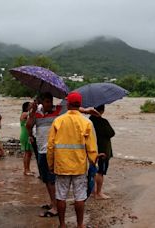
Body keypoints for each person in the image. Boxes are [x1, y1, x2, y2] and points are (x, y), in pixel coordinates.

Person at [26, 92, 100, 218]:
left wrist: (87, 111)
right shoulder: (36, 113)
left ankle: (56, 209)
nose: (49, 104)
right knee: (47, 180)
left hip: (55, 153)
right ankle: (53, 203)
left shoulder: (59, 113)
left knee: (55, 184)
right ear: (41, 102)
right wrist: (32, 112)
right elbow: (29, 126)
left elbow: (73, 108)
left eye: (50, 101)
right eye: (47, 101)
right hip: (43, 150)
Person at [47, 92, 99, 228]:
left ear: (68, 104)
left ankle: (63, 224)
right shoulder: (87, 122)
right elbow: (92, 147)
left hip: (61, 165)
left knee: (61, 196)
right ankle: (80, 224)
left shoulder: (58, 121)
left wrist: (50, 164)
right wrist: (94, 161)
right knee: (80, 197)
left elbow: (51, 146)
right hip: (79, 166)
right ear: (80, 105)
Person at [89, 105, 115, 200]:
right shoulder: (103, 122)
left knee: (92, 171)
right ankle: (98, 193)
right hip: (103, 150)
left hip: (91, 150)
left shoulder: (89, 121)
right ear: (102, 110)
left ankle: (92, 191)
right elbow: (112, 133)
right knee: (100, 171)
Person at [20, 102, 34, 176]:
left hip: (25, 134)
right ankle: (26, 170)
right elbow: (32, 115)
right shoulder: (25, 114)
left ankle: (27, 169)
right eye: (30, 105)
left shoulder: (25, 114)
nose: (31, 106)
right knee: (28, 153)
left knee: (28, 153)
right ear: (27, 107)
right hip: (26, 135)